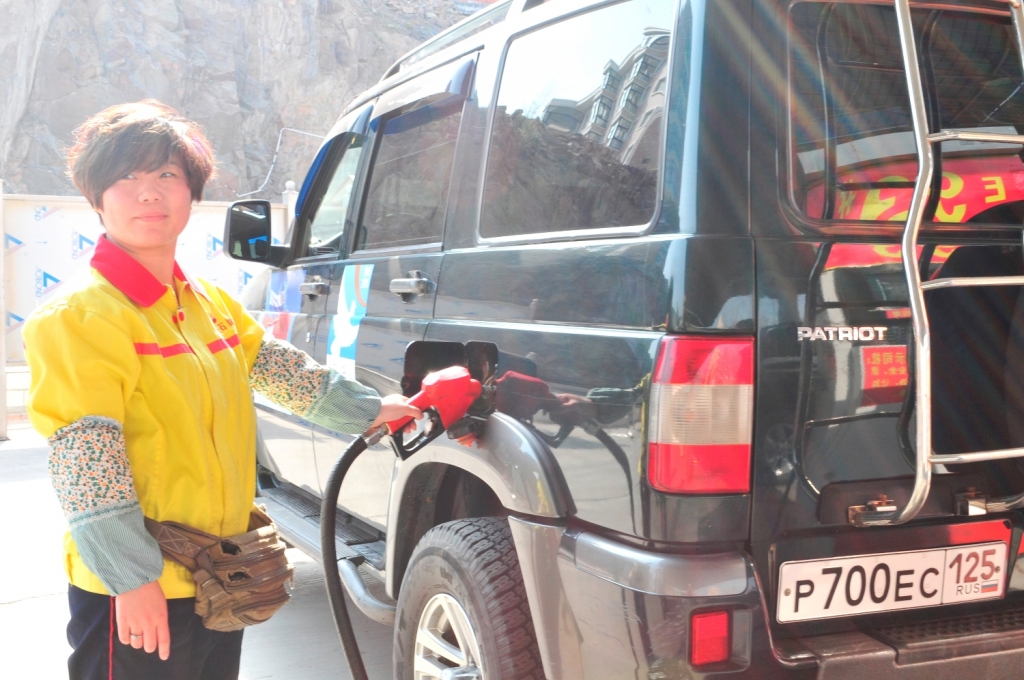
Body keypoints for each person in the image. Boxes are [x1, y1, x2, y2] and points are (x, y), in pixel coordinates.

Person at [22, 100, 422, 680]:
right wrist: (132, 582)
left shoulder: (207, 303)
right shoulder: (80, 317)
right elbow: (87, 465)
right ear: (96, 197)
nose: (149, 193)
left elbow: (282, 371)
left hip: (220, 573)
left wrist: (367, 410)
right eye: (126, 178)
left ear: (192, 193)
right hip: (139, 583)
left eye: (166, 175)